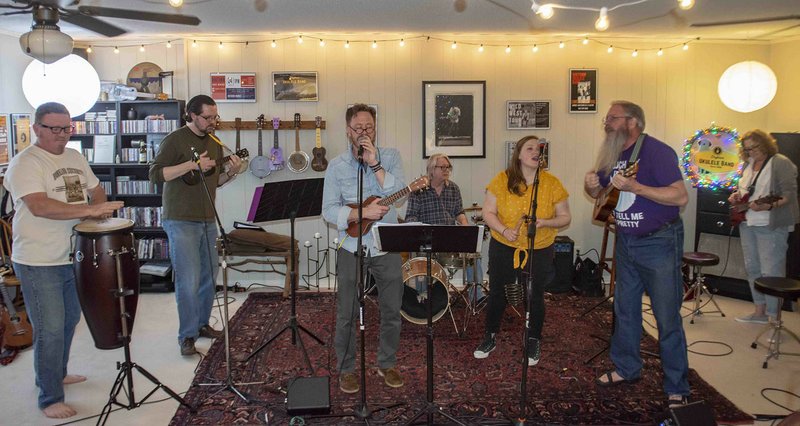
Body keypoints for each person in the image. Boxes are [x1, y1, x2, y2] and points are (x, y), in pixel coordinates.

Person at [3, 102, 124, 419]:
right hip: (38, 259)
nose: (61, 135)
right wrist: (89, 211)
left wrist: (97, 214)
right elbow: (41, 206)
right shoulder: (25, 163)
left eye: (66, 128)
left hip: (72, 255)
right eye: (54, 128)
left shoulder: (75, 157)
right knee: (50, 328)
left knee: (69, 320)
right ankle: (49, 396)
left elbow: (96, 191)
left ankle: (58, 372)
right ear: (37, 128)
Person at [584, 100, 690, 408]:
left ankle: (677, 385)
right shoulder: (613, 153)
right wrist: (590, 185)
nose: (606, 122)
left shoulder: (657, 151)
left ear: (633, 122)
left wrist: (637, 187)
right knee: (625, 310)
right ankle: (627, 368)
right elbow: (599, 194)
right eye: (607, 118)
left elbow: (679, 196)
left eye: (613, 118)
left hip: (659, 242)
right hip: (626, 243)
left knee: (666, 316)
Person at [322, 103, 406, 394]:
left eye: (369, 127)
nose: (364, 132)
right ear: (348, 131)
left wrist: (375, 164)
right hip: (351, 246)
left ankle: (388, 363)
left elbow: (399, 196)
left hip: (387, 245)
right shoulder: (336, 166)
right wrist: (360, 215)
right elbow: (328, 211)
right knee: (346, 312)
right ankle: (346, 368)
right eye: (358, 128)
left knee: (391, 309)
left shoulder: (391, 157)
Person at [149, 95, 242, 356]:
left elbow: (214, 181)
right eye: (207, 118)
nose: (213, 122)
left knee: (208, 276)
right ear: (191, 115)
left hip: (207, 219)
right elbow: (155, 174)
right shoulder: (175, 140)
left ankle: (202, 325)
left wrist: (233, 171)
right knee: (188, 280)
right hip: (180, 219)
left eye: (215, 117)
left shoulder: (214, 142)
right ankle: (187, 335)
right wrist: (192, 164)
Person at [473, 135, 571, 367]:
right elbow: (488, 212)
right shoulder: (501, 180)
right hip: (503, 244)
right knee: (498, 291)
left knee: (534, 293)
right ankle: (490, 336)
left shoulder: (551, 183)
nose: (536, 151)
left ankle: (534, 338)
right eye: (530, 148)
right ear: (518, 154)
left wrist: (545, 222)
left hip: (539, 246)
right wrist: (505, 230)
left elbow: (565, 217)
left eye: (538, 149)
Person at [729, 130, 799, 324]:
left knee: (771, 271)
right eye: (747, 149)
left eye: (755, 147)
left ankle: (774, 317)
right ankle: (759, 311)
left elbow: (788, 195)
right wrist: (735, 195)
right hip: (748, 222)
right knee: (753, 269)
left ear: (765, 144)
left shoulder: (781, 162)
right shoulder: (748, 164)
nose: (751, 152)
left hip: (771, 224)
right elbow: (746, 190)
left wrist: (768, 205)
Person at [405, 153, 485, 300]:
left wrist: (466, 228)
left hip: (450, 238)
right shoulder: (418, 190)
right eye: (442, 167)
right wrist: (422, 231)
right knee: (422, 258)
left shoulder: (454, 188)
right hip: (428, 240)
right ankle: (424, 297)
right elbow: (410, 217)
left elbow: (459, 212)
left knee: (474, 254)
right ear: (431, 170)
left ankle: (477, 297)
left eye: (448, 167)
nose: (446, 170)